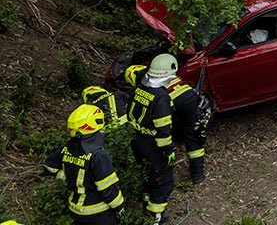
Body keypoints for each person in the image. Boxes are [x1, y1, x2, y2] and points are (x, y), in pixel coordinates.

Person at [42, 104, 125, 224]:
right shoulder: (99, 156)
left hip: (75, 209)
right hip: (98, 212)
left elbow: (49, 166)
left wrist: (68, 178)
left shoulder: (67, 149)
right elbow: (108, 189)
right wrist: (119, 207)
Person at [128, 54, 177, 223]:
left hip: (137, 141)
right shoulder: (161, 97)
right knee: (162, 182)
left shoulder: (140, 89)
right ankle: (156, 218)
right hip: (154, 146)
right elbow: (163, 130)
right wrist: (168, 151)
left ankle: (146, 211)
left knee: (147, 177)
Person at [165, 71, 209, 185]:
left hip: (175, 101)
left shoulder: (145, 86)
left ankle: (168, 177)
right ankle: (198, 174)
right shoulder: (161, 73)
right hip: (189, 95)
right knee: (192, 134)